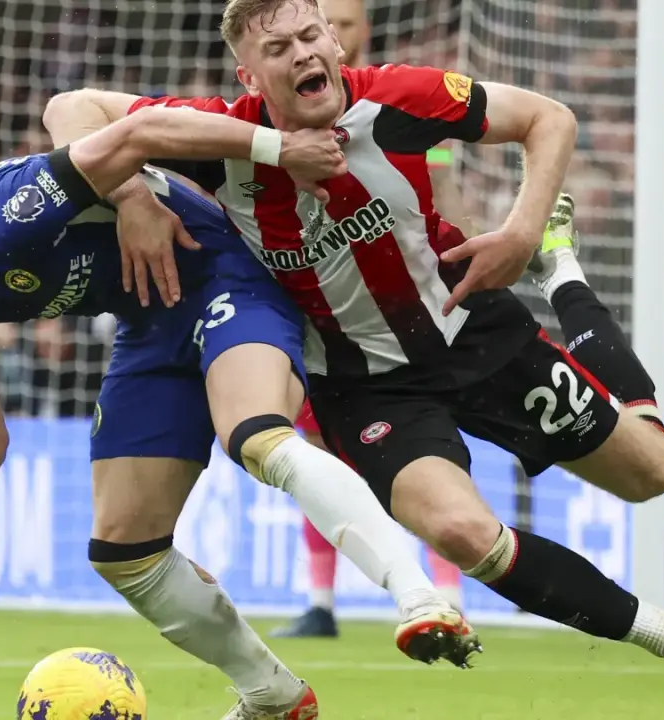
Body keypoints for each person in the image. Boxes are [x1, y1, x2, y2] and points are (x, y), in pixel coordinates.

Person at [41, 0, 664, 707]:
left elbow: (548, 118)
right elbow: (71, 108)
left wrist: (523, 231)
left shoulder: (398, 98)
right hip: (366, 389)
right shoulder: (222, 138)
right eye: (278, 48)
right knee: (460, 531)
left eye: (311, 36)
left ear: (336, 46)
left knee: (650, 474)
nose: (302, 54)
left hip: (470, 330)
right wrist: (131, 195)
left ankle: (560, 271)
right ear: (248, 75)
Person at [0, 105, 479, 720]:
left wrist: (157, 185)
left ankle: (419, 596)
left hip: (224, 273)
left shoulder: (2, 212)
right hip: (149, 319)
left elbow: (131, 131)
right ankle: (272, 694)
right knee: (123, 547)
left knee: (254, 437)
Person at [273, 0, 468, 639]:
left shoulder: (399, 105)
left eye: (339, 28)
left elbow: (444, 202)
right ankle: (321, 602)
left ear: (352, 35)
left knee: (435, 451)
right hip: (323, 325)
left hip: (416, 313)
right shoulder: (274, 123)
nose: (320, 44)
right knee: (318, 452)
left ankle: (446, 590)